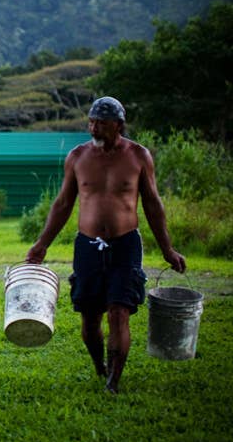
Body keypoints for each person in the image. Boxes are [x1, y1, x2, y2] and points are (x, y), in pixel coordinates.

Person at [25, 96, 186, 394]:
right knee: (89, 319)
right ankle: (99, 365)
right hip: (87, 246)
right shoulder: (77, 156)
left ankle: (114, 380)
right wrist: (40, 245)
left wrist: (168, 249)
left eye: (101, 123)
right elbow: (62, 204)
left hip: (125, 245)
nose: (94, 128)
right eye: (91, 122)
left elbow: (153, 205)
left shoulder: (138, 156)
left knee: (119, 311)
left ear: (119, 125)